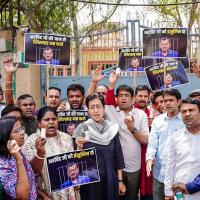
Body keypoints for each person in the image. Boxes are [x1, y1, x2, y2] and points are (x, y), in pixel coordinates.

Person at [73, 94, 126, 200]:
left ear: (104, 108)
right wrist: (79, 146)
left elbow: (118, 156)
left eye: (98, 106)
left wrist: (120, 181)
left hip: (110, 179)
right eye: (92, 107)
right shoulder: (82, 128)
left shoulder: (112, 129)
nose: (96, 110)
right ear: (88, 110)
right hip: (90, 181)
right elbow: (76, 159)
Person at [22, 106, 76, 199]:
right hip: (44, 193)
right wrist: (39, 152)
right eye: (47, 119)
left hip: (67, 190)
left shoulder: (66, 138)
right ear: (39, 123)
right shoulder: (31, 141)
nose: (51, 122)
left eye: (54, 119)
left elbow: (72, 163)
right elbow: (31, 171)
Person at [146, 88, 185, 200]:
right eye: (164, 100)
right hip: (159, 173)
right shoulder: (157, 121)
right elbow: (152, 144)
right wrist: (149, 158)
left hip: (178, 175)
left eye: (171, 100)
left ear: (178, 102)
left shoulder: (185, 120)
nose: (167, 103)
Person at [164, 98, 200, 200]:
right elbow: (170, 164)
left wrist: (192, 186)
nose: (187, 114)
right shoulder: (175, 136)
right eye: (183, 111)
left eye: (191, 110)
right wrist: (168, 192)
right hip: (180, 193)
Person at [0, 117, 37, 199]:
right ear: (5, 136)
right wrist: (19, 161)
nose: (22, 133)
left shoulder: (15, 152)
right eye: (17, 131)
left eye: (21, 129)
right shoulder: (2, 163)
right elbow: (22, 197)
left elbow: (30, 179)